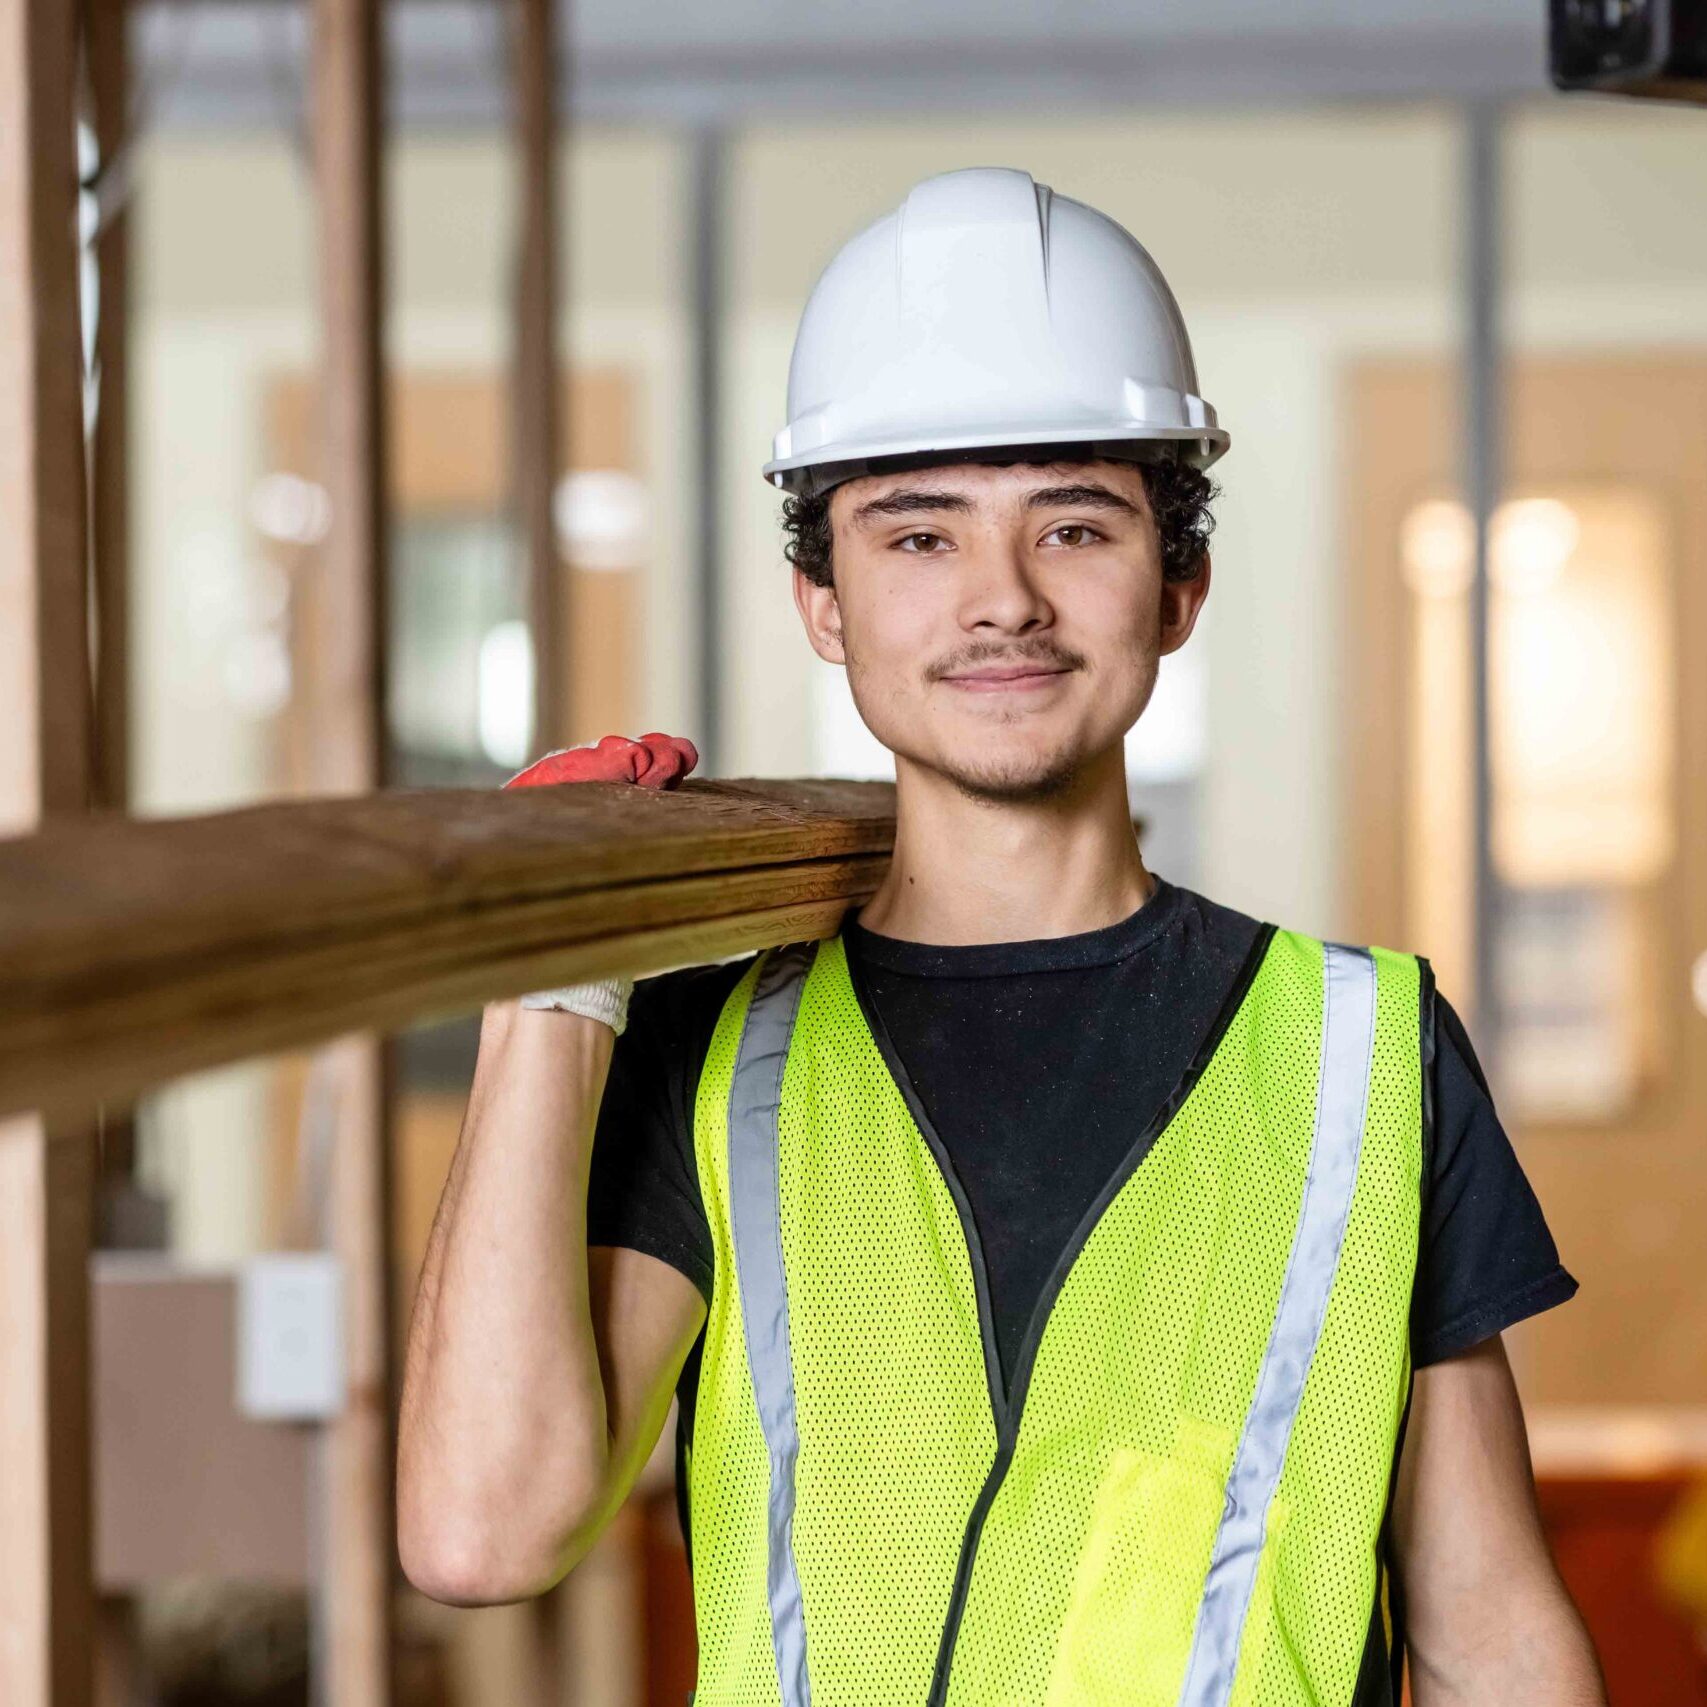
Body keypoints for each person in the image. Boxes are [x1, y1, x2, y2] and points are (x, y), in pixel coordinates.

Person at [397, 167, 1606, 1705]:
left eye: (1075, 527)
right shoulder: (720, 1064)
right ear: (821, 602)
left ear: (1179, 587)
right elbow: (480, 1534)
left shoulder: (1361, 1051)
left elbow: (1486, 1626)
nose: (1003, 603)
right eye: (916, 537)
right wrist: (551, 971)